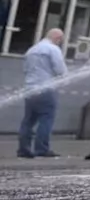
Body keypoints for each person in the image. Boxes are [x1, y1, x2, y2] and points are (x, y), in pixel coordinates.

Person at [18, 28, 67, 158]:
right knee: (46, 119)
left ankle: (23, 149)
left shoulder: (31, 50)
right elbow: (60, 70)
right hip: (46, 89)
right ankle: (41, 149)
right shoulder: (53, 49)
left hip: (29, 89)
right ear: (57, 38)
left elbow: (25, 70)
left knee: (28, 120)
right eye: (60, 39)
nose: (60, 42)